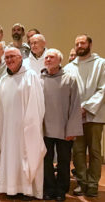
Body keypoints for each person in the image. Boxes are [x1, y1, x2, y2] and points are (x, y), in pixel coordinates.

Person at [0, 47, 46, 199]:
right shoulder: (4, 79)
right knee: (10, 157)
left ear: (20, 58)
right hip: (8, 129)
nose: (9, 60)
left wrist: (30, 126)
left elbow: (37, 103)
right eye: (7, 58)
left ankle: (27, 189)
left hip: (26, 128)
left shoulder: (30, 76)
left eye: (12, 57)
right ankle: (12, 188)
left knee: (27, 154)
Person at [64, 34, 105, 197]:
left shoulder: (101, 64)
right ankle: (82, 181)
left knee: (94, 150)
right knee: (78, 151)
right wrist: (75, 110)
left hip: (95, 115)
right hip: (76, 116)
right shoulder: (69, 67)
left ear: (90, 44)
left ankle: (93, 183)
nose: (79, 45)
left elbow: (103, 88)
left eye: (82, 43)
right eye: (77, 44)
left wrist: (86, 107)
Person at [41, 48, 83, 201]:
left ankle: (61, 190)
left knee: (64, 162)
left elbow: (75, 106)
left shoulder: (70, 79)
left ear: (60, 60)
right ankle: (49, 188)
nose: (48, 60)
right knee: (46, 161)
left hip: (64, 129)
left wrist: (72, 129)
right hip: (44, 129)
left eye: (52, 57)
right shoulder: (40, 79)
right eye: (46, 58)